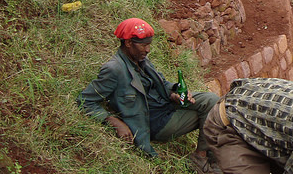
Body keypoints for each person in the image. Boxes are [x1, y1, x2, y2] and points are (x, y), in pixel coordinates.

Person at [77, 18, 220, 168]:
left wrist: (174, 93)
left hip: (166, 105)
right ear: (128, 43)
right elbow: (85, 100)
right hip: (155, 121)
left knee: (212, 100)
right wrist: (113, 121)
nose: (147, 50)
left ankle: (204, 156)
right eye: (144, 45)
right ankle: (201, 159)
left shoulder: (141, 60)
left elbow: (162, 84)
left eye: (149, 45)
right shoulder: (114, 70)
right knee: (212, 115)